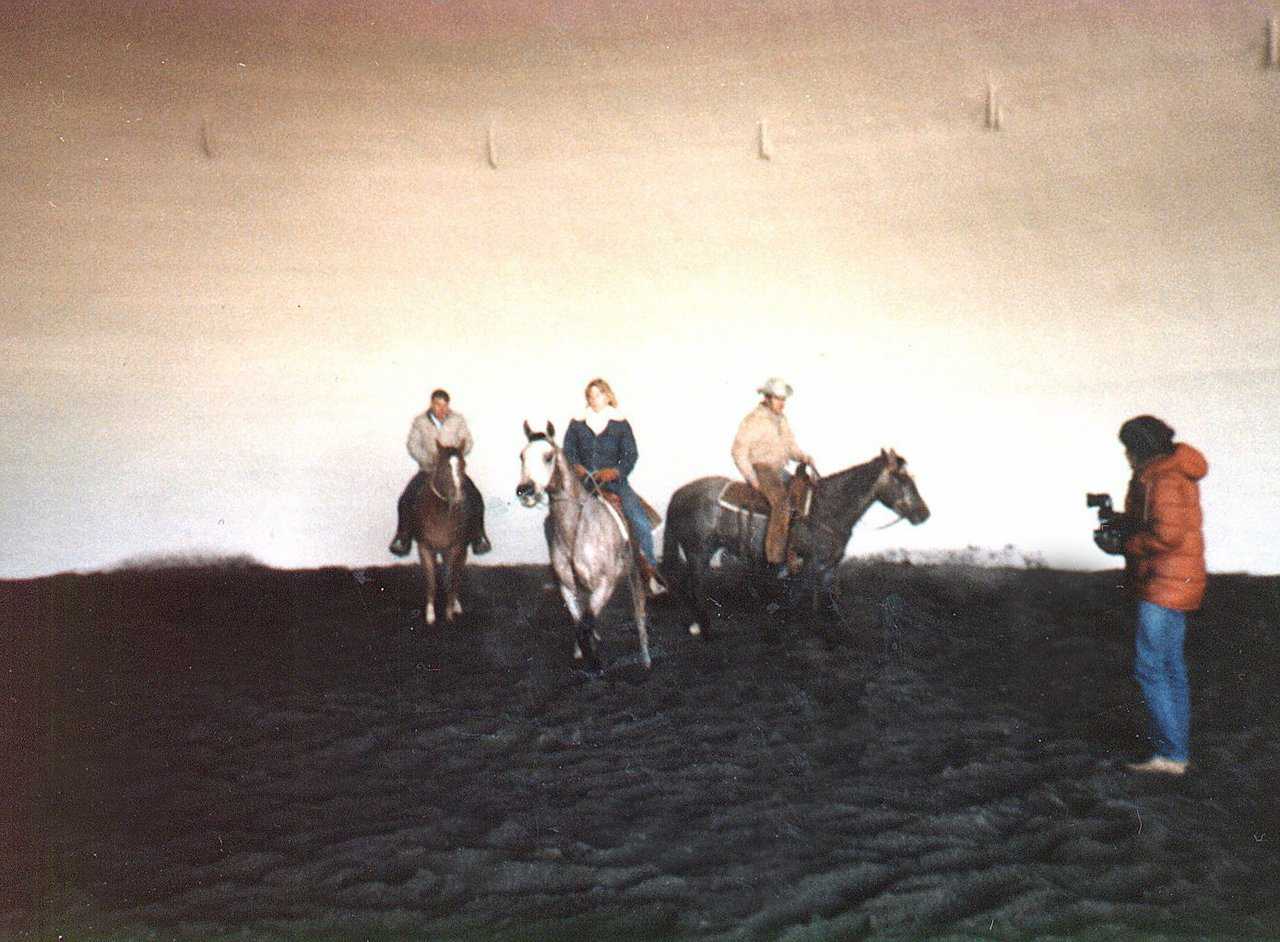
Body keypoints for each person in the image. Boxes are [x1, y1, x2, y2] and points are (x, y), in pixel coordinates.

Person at [1115, 415, 1208, 776]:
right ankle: (1175, 752)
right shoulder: (1172, 472)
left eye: (1128, 447)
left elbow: (1167, 536)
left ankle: (1170, 755)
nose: (1125, 454)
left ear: (1140, 447)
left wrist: (1128, 543)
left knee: (1152, 667)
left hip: (1163, 583)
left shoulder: (1163, 478)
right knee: (1170, 667)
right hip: (1177, 581)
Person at [562, 378, 667, 596]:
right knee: (560, 515)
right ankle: (563, 569)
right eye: (590, 395)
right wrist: (576, 466)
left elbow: (630, 454)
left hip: (614, 483)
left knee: (639, 520)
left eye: (598, 395)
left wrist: (616, 471)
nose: (593, 399)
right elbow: (568, 450)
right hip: (582, 484)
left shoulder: (620, 424)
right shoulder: (577, 424)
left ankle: (650, 573)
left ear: (608, 396)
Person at [389, 388, 492, 557]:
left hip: (452, 470)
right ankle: (402, 538)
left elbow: (468, 441)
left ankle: (479, 537)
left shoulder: (457, 420)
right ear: (432, 404)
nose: (441, 409)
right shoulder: (420, 421)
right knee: (406, 499)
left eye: (445, 406)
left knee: (476, 497)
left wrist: (454, 456)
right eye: (438, 405)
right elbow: (413, 445)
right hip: (428, 469)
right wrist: (430, 459)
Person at [731, 377, 815, 575]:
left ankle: (796, 553)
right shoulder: (754, 420)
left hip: (780, 470)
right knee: (782, 504)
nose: (782, 403)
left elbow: (790, 447)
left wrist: (803, 456)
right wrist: (752, 478)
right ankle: (776, 560)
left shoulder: (782, 420)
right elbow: (738, 450)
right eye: (778, 399)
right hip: (762, 469)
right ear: (767, 398)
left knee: (807, 495)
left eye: (784, 399)